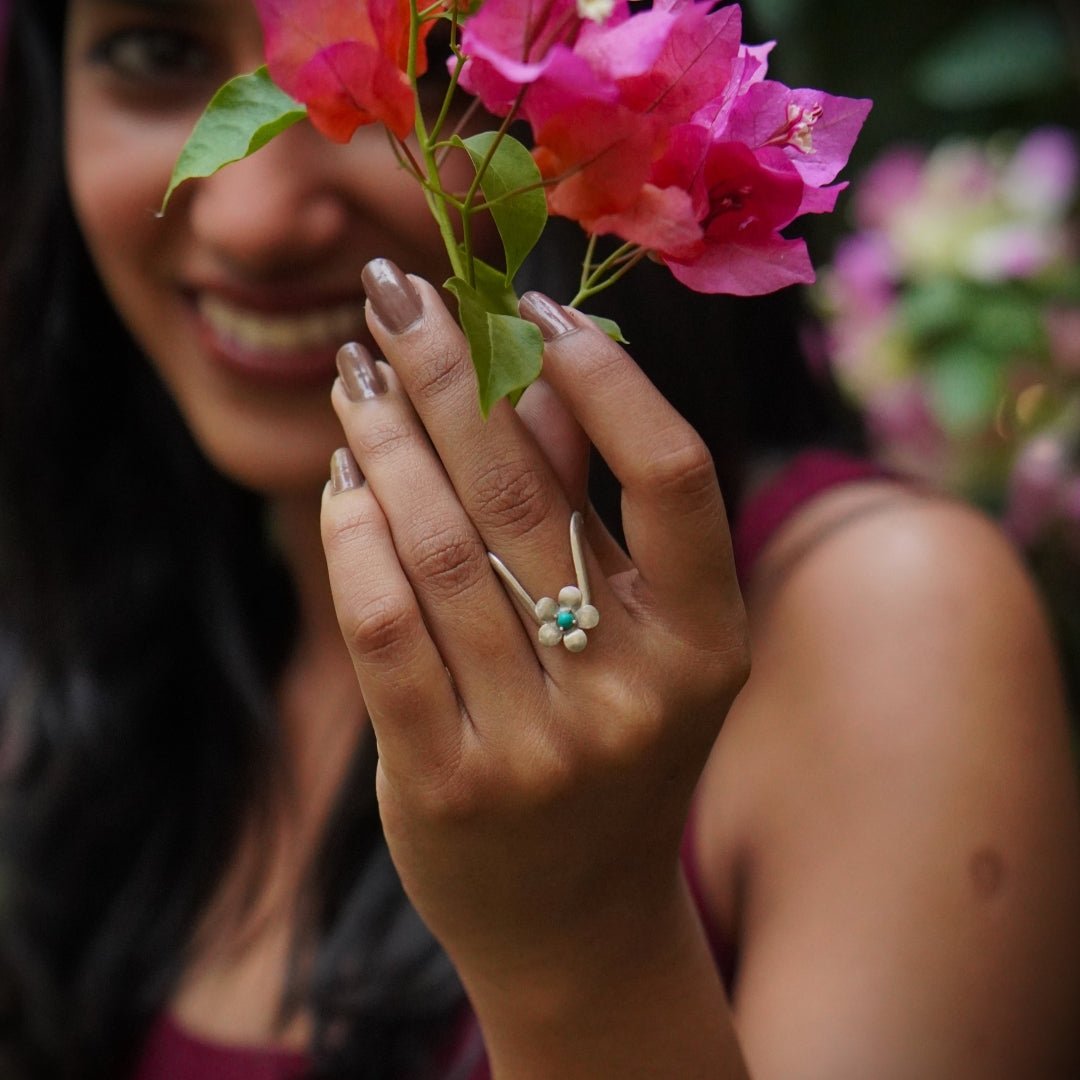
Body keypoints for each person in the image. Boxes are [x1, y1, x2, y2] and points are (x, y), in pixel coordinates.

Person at [1, 1, 1078, 1078]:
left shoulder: (886, 626)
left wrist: (578, 941)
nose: (251, 222)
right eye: (157, 49)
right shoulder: (104, 619)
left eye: (430, 70)